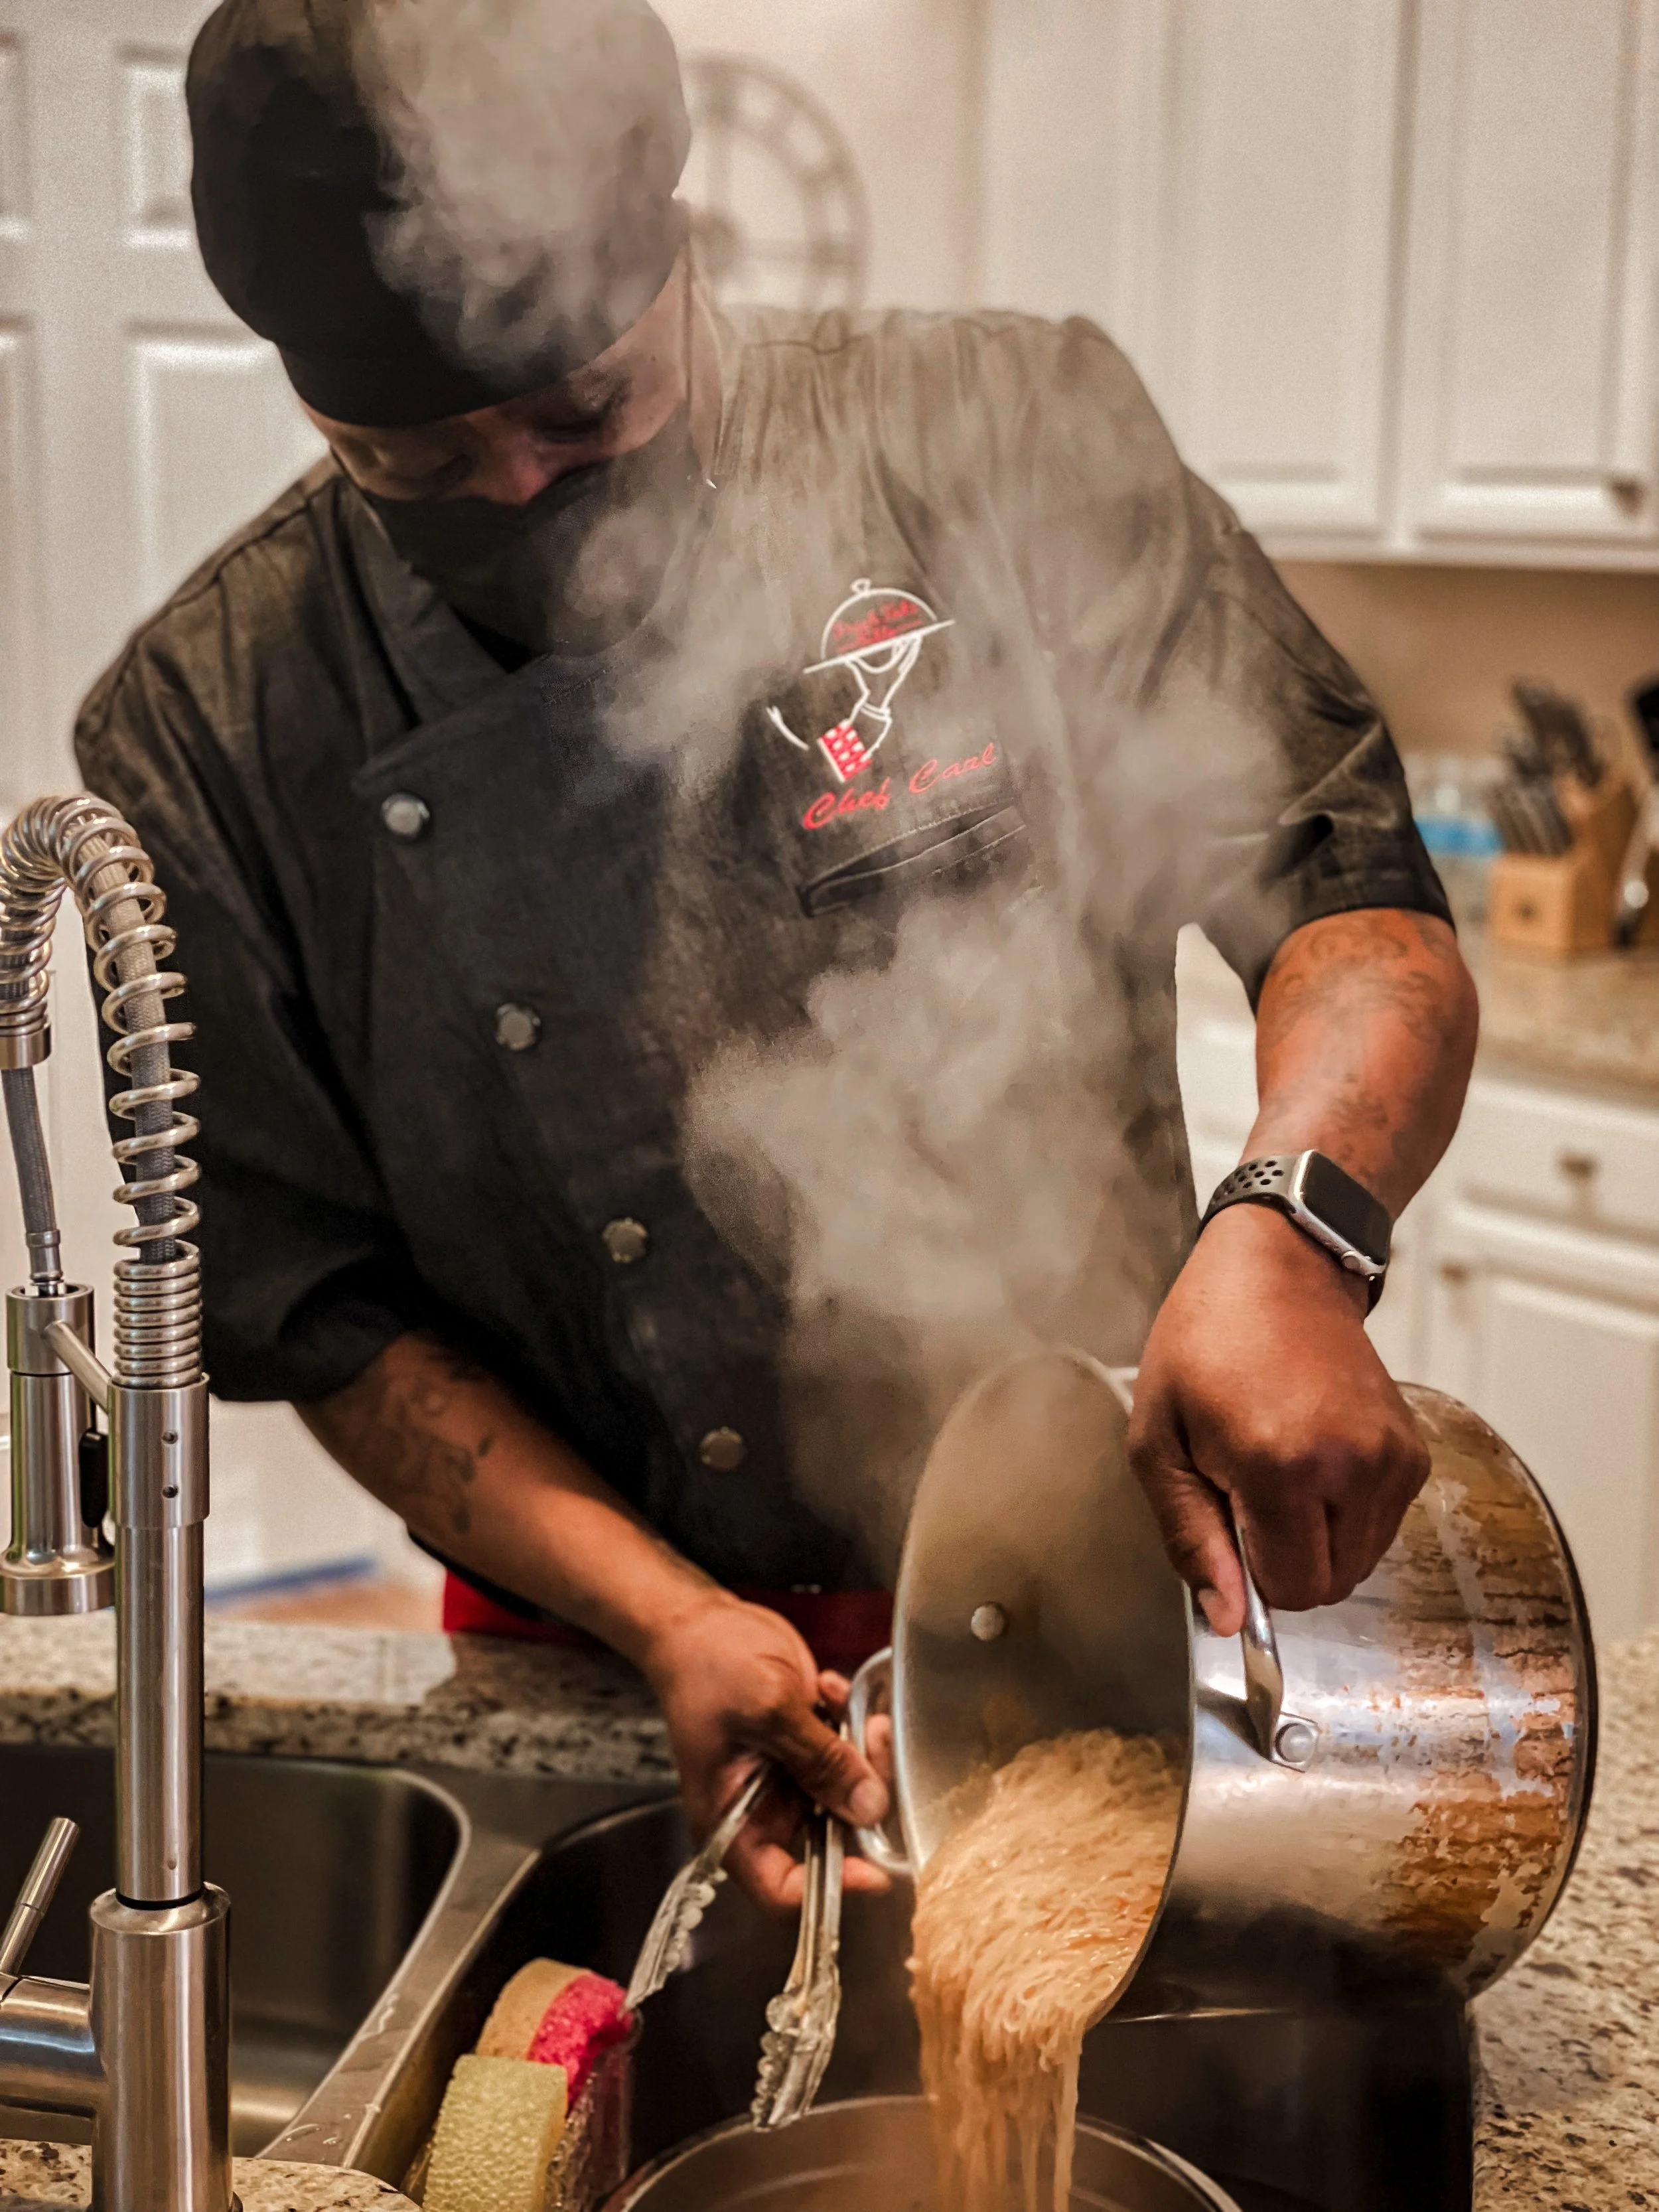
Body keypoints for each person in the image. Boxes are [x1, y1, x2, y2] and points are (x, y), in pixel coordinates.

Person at [75, 0, 1477, 1908]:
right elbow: (321, 1308)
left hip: (1108, 1586)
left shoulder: (1011, 441)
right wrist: (663, 1614)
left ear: (682, 247)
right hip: (612, 1646)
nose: (512, 493)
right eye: (411, 462)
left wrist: (1294, 1221)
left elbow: (1347, 893)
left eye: (579, 412)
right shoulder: (212, 720)